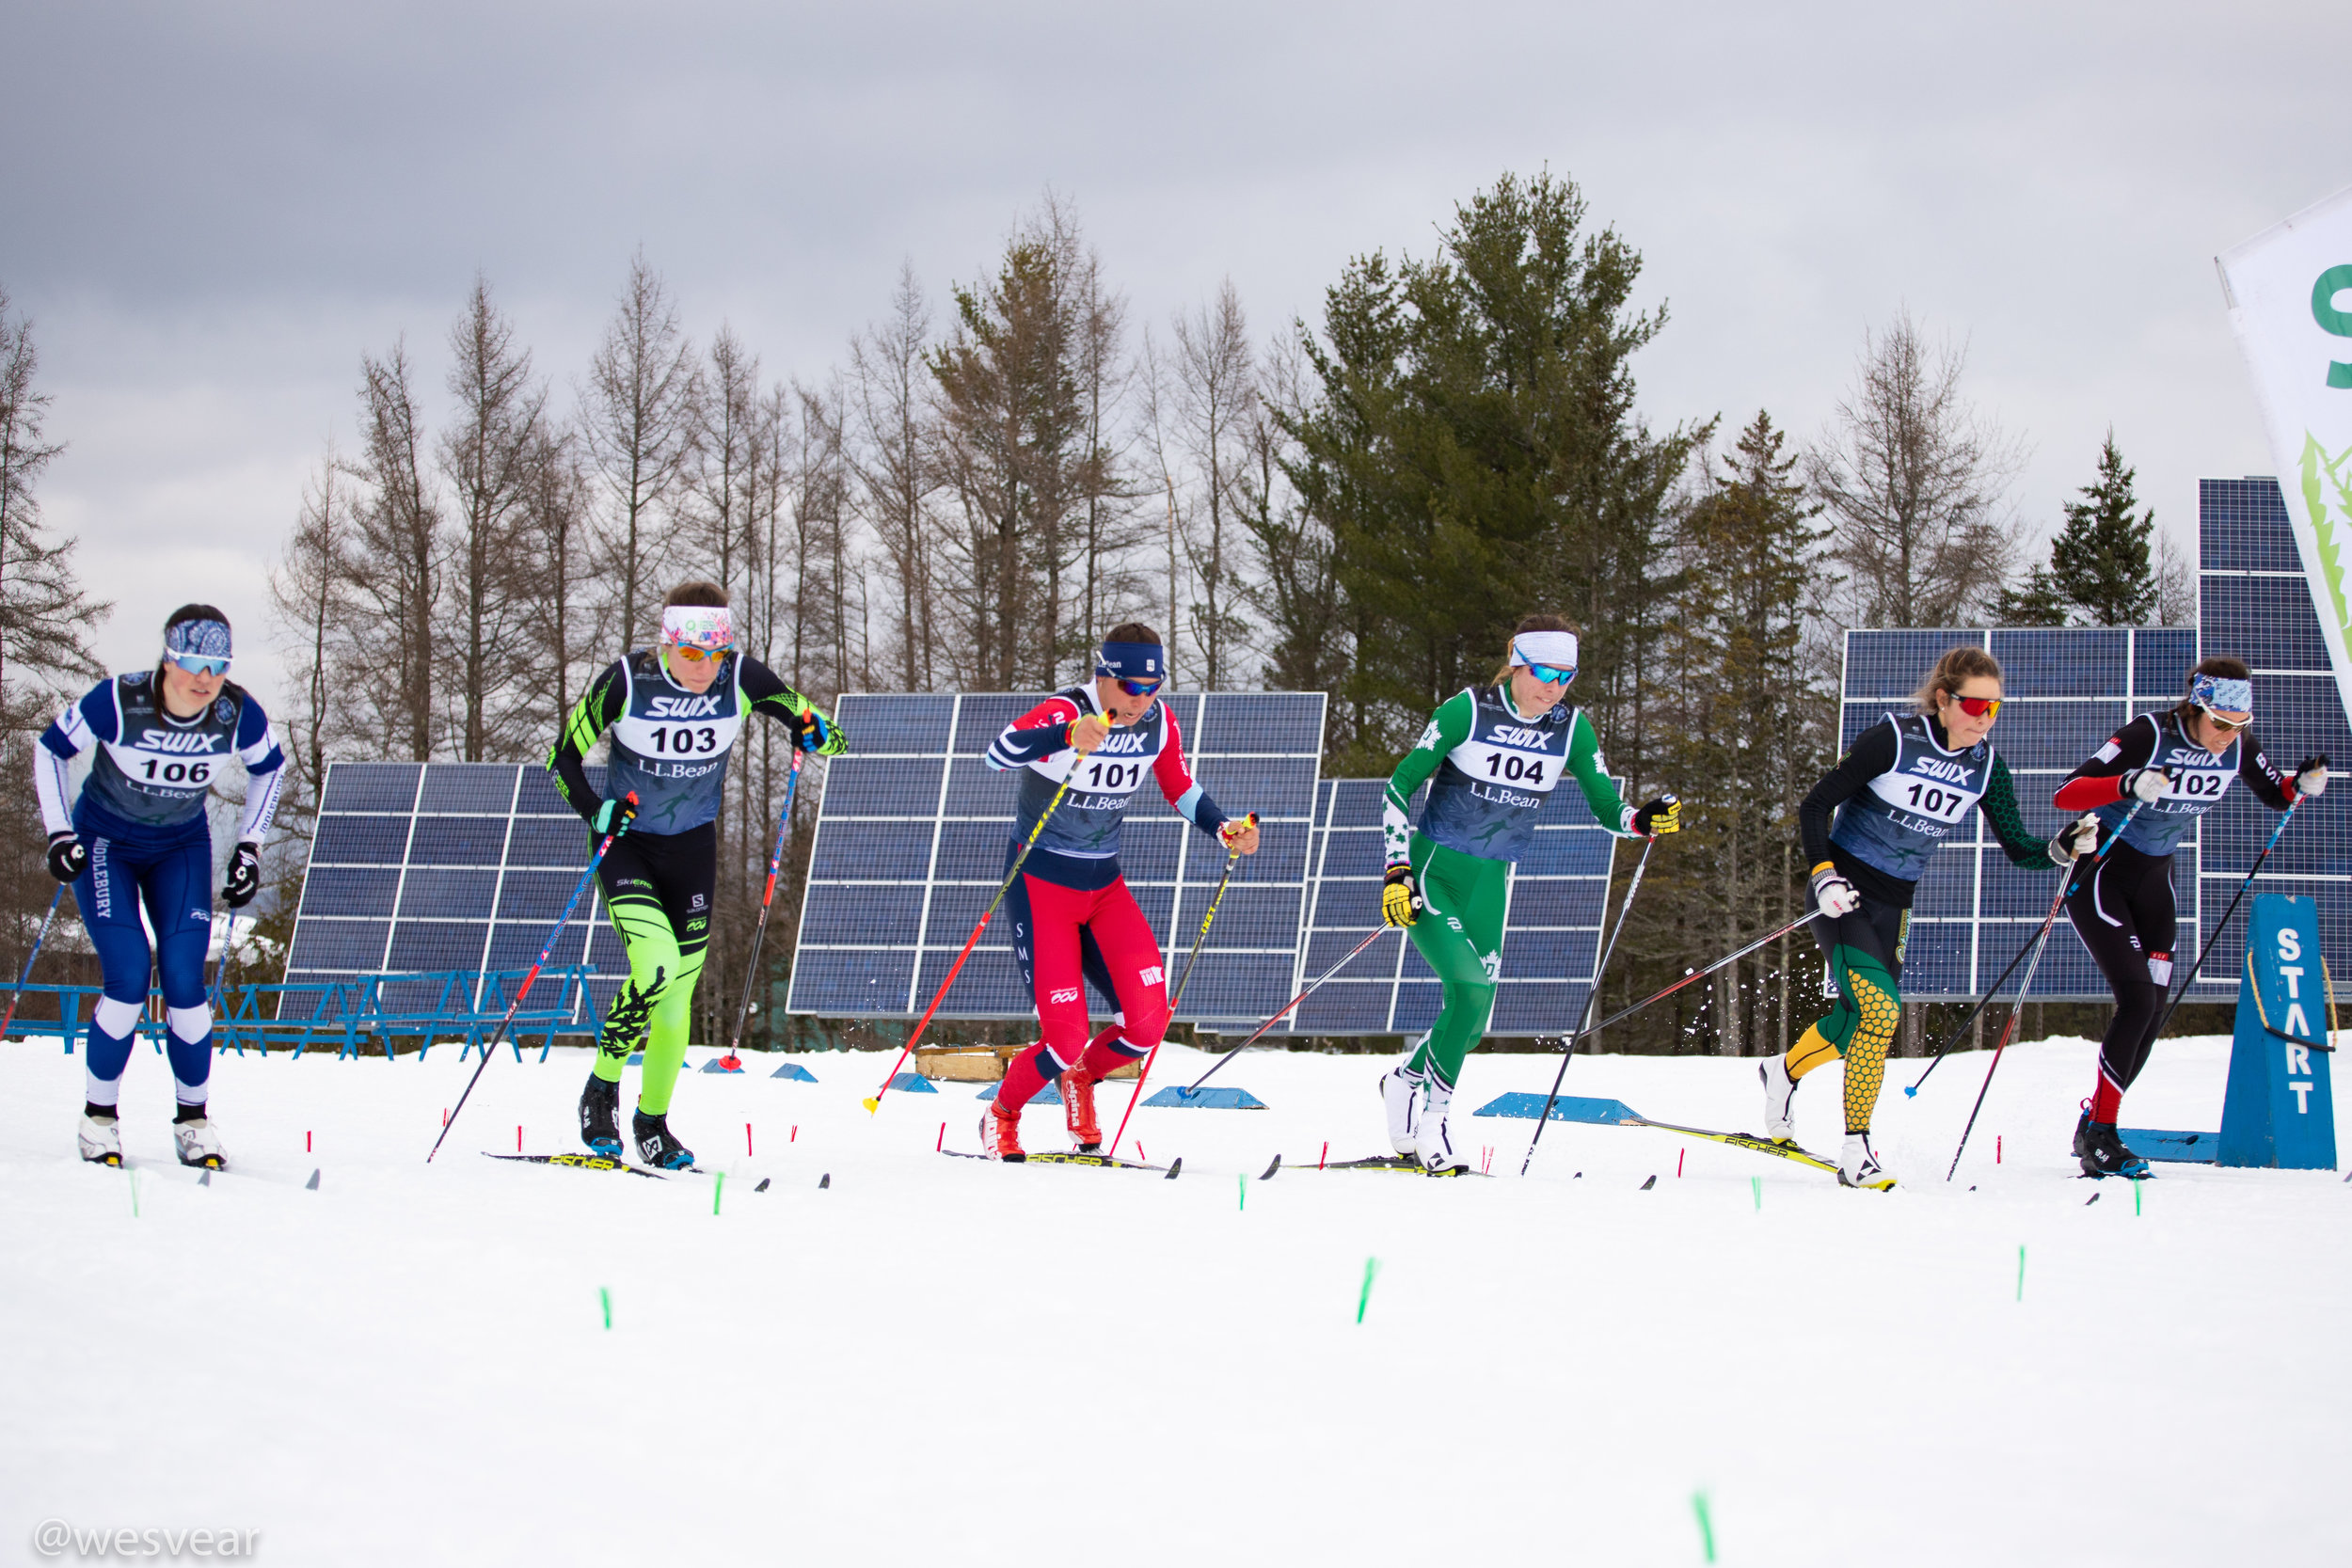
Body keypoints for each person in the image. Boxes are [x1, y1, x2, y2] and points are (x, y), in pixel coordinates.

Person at [1764, 644, 2092, 1190]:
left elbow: (2019, 848)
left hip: (1895, 905)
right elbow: (1815, 805)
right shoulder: (1893, 739)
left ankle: (1783, 1071)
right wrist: (1823, 874)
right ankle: (1856, 1149)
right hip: (1842, 894)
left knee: (1857, 1022)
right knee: (1881, 1011)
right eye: (1974, 707)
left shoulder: (1987, 768)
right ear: (1944, 699)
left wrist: (2062, 847)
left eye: (1995, 710)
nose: (1984, 720)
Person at [548, 582, 846, 1169]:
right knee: (654, 967)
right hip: (627, 845)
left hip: (690, 849)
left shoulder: (741, 676)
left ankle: (652, 1121)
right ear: (668, 643)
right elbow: (562, 759)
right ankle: (602, 1085)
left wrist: (813, 731)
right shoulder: (627, 679)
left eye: (715, 655)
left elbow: (831, 736)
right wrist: (596, 810)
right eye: (691, 655)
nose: (705, 669)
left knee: (676, 996)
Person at [1377, 614, 1681, 1175]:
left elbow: (1605, 808)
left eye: (1567, 676)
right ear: (1517, 662)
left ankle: (1404, 1079)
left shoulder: (1572, 728)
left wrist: (1642, 819)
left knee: (1473, 1020)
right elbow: (1398, 787)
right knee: (1467, 988)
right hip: (1433, 873)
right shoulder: (1467, 710)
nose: (1554, 687)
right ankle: (1435, 1122)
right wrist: (1396, 870)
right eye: (1544, 672)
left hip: (1492, 883)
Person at [981, 623, 1260, 1161]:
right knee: (1063, 1039)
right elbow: (997, 753)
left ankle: (1081, 1080)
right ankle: (1001, 1115)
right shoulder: (1066, 711)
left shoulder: (1157, 721)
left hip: (1104, 887)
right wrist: (1064, 737)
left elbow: (1179, 785)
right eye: (1131, 687)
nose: (1141, 700)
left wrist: (1224, 827)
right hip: (1041, 886)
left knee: (1149, 1022)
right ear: (1104, 676)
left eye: (1153, 688)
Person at [2052, 657, 2324, 1179]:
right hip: (2103, 875)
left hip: (2157, 884)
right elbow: (2067, 792)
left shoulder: (2238, 744)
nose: (2227, 736)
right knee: (2135, 1001)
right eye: (2219, 723)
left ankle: (2094, 1123)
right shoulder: (2149, 733)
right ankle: (2102, 1138)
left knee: (2153, 1012)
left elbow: (2275, 793)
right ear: (2195, 708)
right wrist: (2127, 783)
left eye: (2238, 725)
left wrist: (2301, 785)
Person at [37, 606, 285, 1169]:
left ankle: (193, 1122)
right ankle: (99, 1120)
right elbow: (51, 749)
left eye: (218, 666)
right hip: (107, 843)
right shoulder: (119, 701)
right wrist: (58, 834)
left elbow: (270, 767)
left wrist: (250, 846)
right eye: (194, 663)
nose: (205, 678)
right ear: (169, 659)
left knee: (184, 984)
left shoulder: (236, 713)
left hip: (180, 847)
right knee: (126, 978)